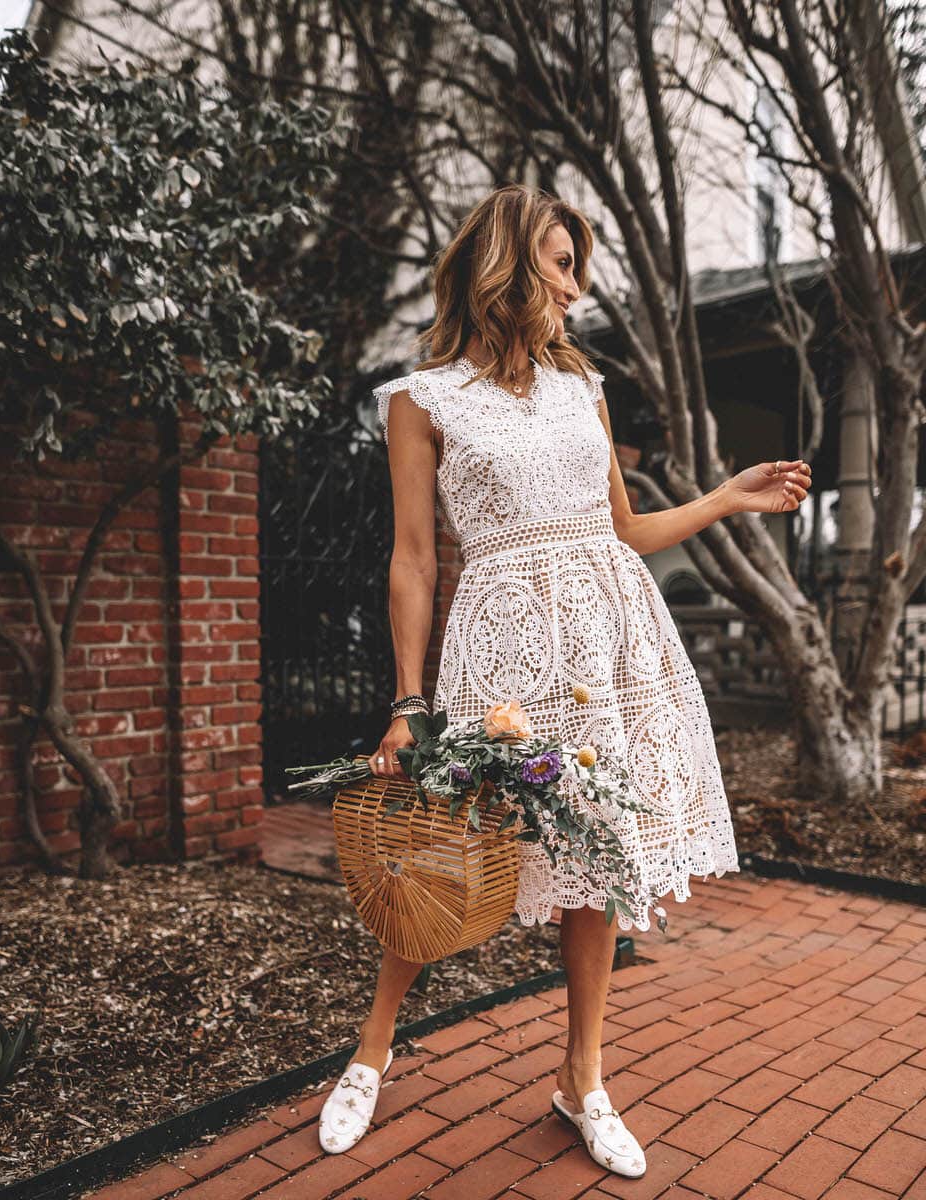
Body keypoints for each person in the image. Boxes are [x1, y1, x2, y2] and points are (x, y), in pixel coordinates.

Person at [317, 183, 811, 1176]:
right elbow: (413, 558)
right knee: (443, 846)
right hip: (500, 653)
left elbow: (621, 531)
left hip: (610, 644)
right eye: (557, 263)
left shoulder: (582, 390)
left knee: (599, 859)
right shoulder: (421, 402)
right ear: (504, 266)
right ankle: (369, 1054)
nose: (574, 287)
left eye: (575, 265)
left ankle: (583, 1080)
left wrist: (723, 499)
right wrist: (409, 702)